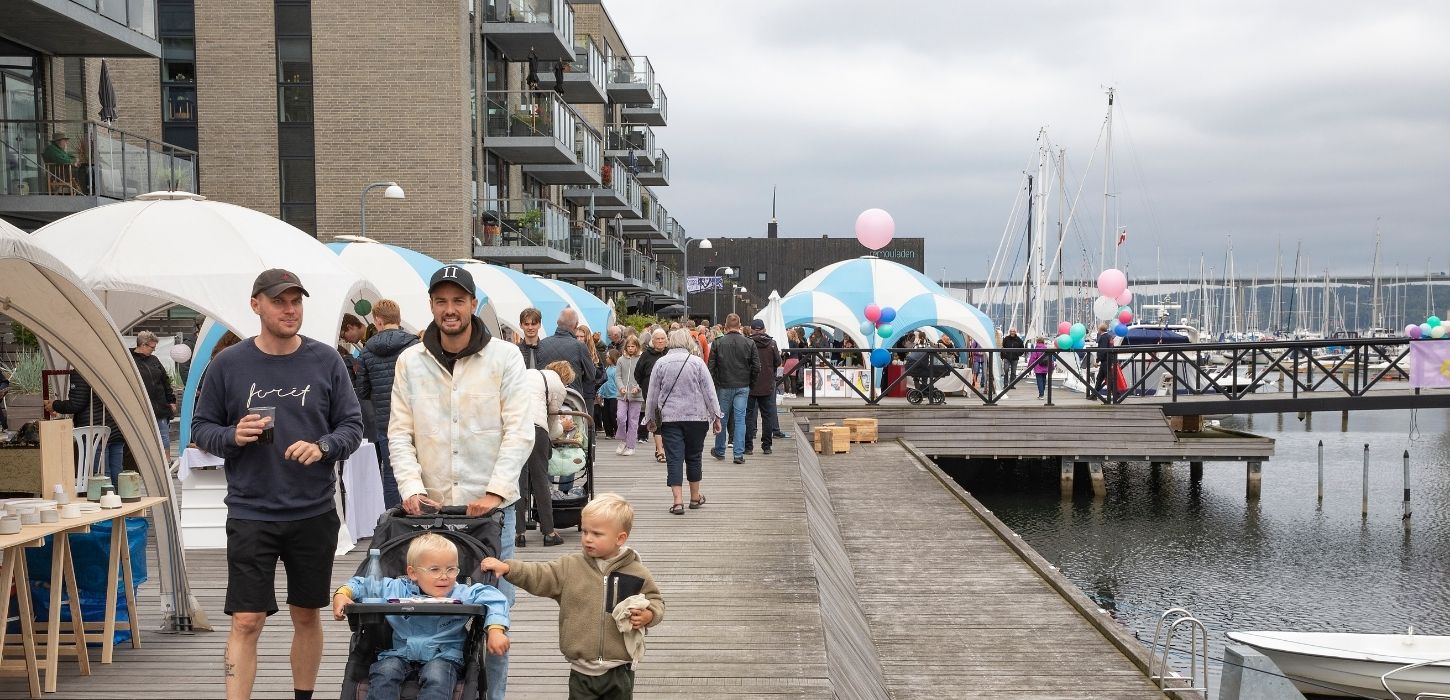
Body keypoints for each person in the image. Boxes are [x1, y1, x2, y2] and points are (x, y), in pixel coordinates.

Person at [190, 269, 364, 700]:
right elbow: (202, 429)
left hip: (313, 512)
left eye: (296, 302)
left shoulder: (326, 360)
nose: (290, 310)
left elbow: (353, 426)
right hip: (251, 514)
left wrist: (324, 447)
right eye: (279, 302)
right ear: (256, 305)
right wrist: (232, 435)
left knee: (307, 615)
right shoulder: (228, 364)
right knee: (246, 620)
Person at [388, 264, 534, 700]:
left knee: (495, 616)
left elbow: (520, 430)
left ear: (473, 305)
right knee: (427, 612)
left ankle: (494, 695)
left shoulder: (505, 357)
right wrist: (411, 487)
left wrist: (494, 490)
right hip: (430, 512)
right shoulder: (410, 361)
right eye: (441, 301)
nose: (449, 309)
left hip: (491, 512)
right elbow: (399, 431)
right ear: (431, 306)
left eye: (458, 300)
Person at [480, 494, 664, 698]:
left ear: (620, 538)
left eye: (597, 533)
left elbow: (655, 601)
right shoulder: (570, 567)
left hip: (620, 669)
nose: (587, 538)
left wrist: (649, 615)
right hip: (581, 671)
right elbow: (539, 575)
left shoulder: (636, 572)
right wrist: (508, 568)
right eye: (585, 531)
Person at [332, 534, 511, 700]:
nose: (444, 576)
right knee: (385, 671)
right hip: (400, 653)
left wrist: (495, 629)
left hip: (444, 656)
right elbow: (361, 584)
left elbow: (494, 597)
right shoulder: (396, 589)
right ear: (413, 573)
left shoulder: (460, 593)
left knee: (437, 674)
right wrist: (342, 594)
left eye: (451, 569)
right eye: (434, 569)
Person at [647, 330, 723, 513]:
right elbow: (709, 392)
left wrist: (650, 418)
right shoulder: (697, 363)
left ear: (670, 342)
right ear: (689, 342)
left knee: (674, 459)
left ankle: (678, 502)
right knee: (694, 456)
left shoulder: (661, 363)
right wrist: (716, 416)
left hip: (670, 418)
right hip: (696, 418)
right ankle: (695, 497)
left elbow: (652, 395)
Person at [359, 299, 419, 508]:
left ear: (377, 320)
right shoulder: (414, 345)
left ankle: (395, 524)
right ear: (398, 318)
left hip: (386, 422)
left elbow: (363, 390)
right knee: (419, 475)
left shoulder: (367, 350)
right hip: (415, 420)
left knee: (392, 476)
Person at [517, 361, 570, 548]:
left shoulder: (529, 373)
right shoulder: (558, 385)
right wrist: (564, 427)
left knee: (518, 482)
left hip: (514, 427)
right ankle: (548, 532)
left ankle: (518, 533)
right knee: (540, 480)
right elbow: (552, 424)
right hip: (535, 428)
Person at [46, 371, 124, 483]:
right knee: (118, 474)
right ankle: (119, 499)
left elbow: (76, 404)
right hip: (117, 429)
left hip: (96, 432)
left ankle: (104, 499)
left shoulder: (81, 371)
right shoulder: (114, 368)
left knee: (101, 476)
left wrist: (54, 405)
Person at [707, 314, 758, 465]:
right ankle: (738, 453)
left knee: (721, 418)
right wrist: (751, 382)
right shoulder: (749, 343)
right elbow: (756, 366)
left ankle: (720, 450)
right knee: (740, 419)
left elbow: (711, 367)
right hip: (743, 385)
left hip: (724, 385)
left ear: (725, 326)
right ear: (740, 325)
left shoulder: (718, 343)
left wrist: (715, 384)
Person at [534, 309, 597, 406]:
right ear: (576, 325)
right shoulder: (579, 346)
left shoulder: (541, 344)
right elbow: (591, 375)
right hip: (572, 400)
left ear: (557, 323)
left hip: (546, 400)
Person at [132, 330, 177, 457]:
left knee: (164, 436)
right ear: (143, 345)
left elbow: (165, 381)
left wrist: (171, 400)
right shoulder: (131, 360)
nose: (154, 350)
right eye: (152, 347)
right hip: (143, 407)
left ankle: (167, 462)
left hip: (160, 406)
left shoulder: (154, 360)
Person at [744, 320, 782, 456]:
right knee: (767, 416)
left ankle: (748, 447)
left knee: (748, 416)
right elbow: (778, 362)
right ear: (764, 329)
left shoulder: (747, 343)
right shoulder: (772, 343)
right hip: (767, 383)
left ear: (751, 330)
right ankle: (767, 446)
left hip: (750, 383)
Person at [339, 314, 375, 448]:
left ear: (350, 327)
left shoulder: (373, 341)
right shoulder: (368, 340)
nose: (346, 341)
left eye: (344, 336)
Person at [633, 329, 668, 463]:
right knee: (656, 421)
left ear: (666, 340)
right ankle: (660, 450)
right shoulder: (646, 355)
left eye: (662, 339)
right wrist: (646, 386)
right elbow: (638, 374)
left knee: (666, 421)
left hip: (668, 394)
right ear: (652, 341)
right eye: (657, 339)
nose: (660, 341)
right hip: (652, 393)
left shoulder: (669, 353)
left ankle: (663, 447)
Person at [613, 337, 643, 456]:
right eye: (629, 346)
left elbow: (643, 376)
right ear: (625, 347)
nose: (631, 349)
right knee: (620, 417)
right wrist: (621, 387)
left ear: (637, 347)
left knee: (633, 420)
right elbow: (618, 376)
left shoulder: (641, 359)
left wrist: (637, 387)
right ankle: (623, 439)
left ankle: (631, 446)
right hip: (622, 394)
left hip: (636, 395)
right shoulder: (621, 359)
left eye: (633, 346)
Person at [598, 349, 620, 440]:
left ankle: (617, 431)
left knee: (613, 414)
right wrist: (600, 392)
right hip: (606, 395)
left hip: (614, 395)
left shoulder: (616, 369)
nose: (606, 358)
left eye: (608, 356)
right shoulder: (606, 369)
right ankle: (609, 432)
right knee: (605, 415)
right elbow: (603, 383)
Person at [1093, 322, 1115, 401]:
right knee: (1100, 378)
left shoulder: (1103, 338)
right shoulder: (1110, 337)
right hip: (1109, 360)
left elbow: (1102, 350)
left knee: (1109, 379)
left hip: (1105, 361)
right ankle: (1094, 395)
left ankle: (1117, 394)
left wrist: (1097, 361)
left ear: (1100, 330)